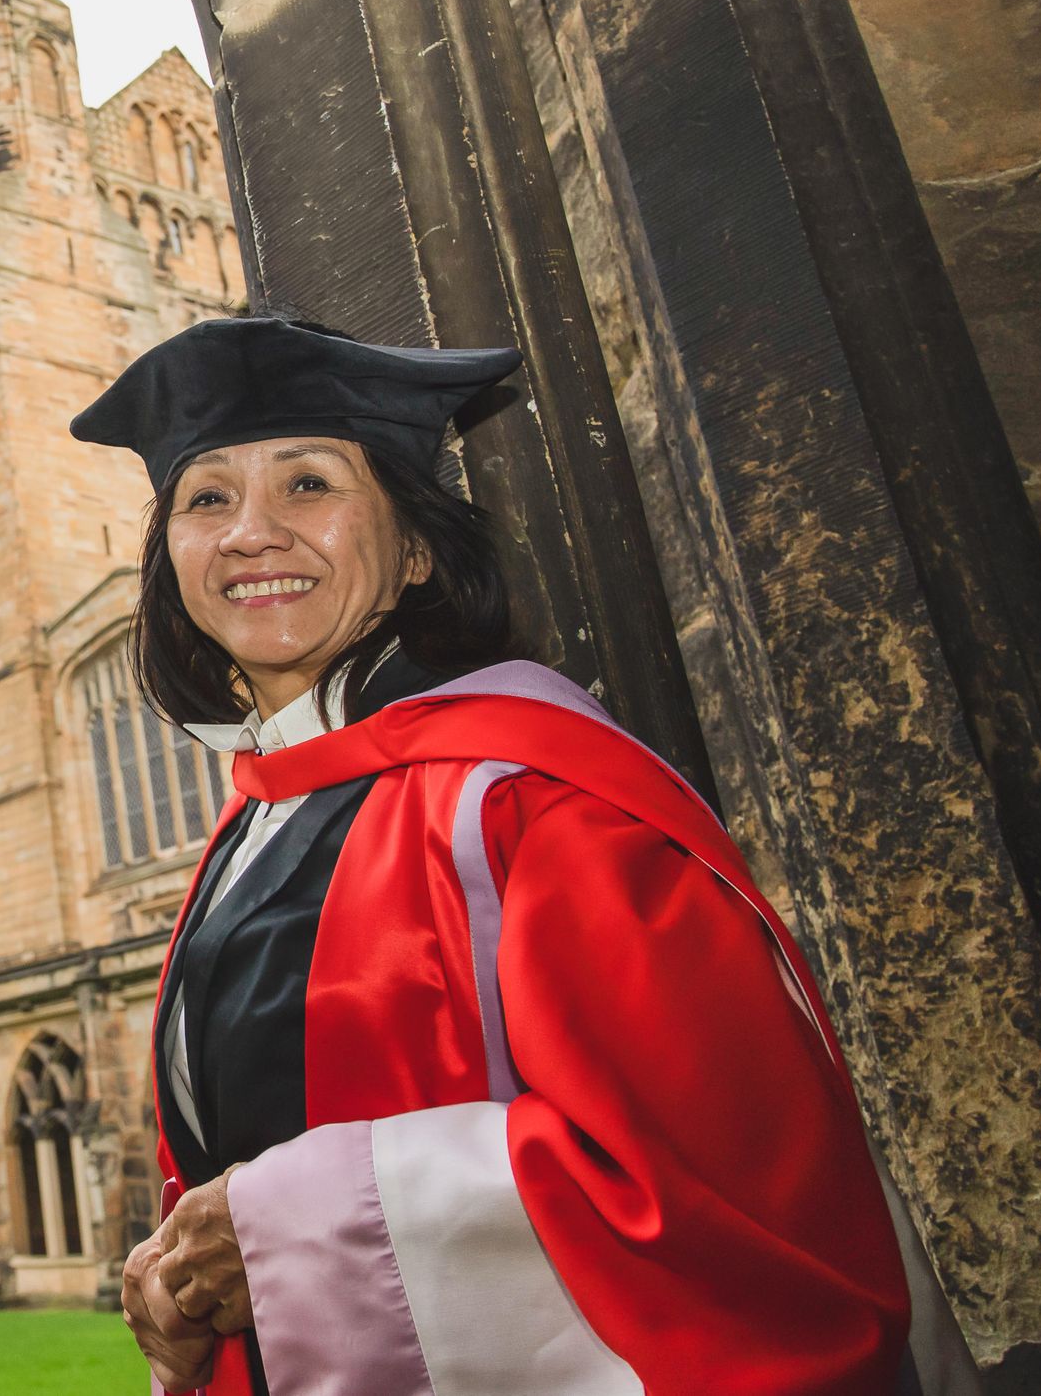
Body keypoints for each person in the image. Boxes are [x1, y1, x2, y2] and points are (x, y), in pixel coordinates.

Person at [69, 316, 976, 1396]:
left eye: (307, 484)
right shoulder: (252, 828)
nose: (250, 533)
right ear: (170, 564)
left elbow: (723, 1195)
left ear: (413, 552)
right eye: (205, 499)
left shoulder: (535, 799)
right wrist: (187, 1275)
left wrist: (278, 1227)